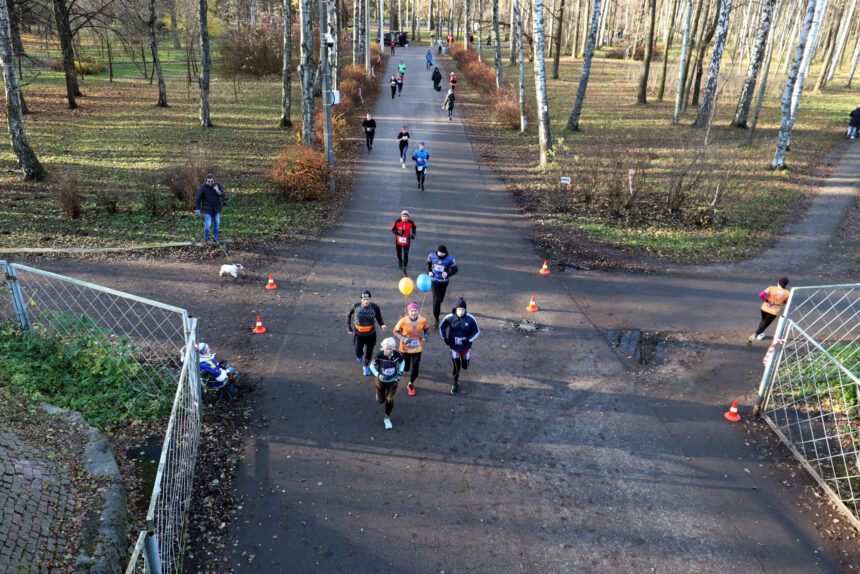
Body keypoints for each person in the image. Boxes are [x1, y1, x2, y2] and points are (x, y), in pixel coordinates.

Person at [439, 297, 480, 395]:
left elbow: (477, 331)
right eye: (459, 309)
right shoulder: (450, 317)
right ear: (456, 309)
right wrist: (445, 338)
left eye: (463, 309)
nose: (461, 312)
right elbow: (442, 327)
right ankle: (455, 383)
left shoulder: (470, 318)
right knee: (456, 367)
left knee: (465, 366)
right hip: (454, 347)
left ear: (465, 309)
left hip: (466, 347)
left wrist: (468, 339)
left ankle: (465, 362)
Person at [348, 290, 387, 375]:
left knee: (369, 353)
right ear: (361, 299)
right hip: (359, 335)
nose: (366, 301)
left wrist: (382, 325)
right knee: (358, 354)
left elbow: (379, 318)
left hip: (371, 335)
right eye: (364, 299)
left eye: (368, 299)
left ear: (370, 299)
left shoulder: (375, 307)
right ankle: (360, 354)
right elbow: (348, 315)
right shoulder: (356, 306)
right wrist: (350, 328)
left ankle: (366, 366)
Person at [394, 303, 429, 396]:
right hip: (405, 349)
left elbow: (426, 328)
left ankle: (410, 383)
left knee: (415, 368)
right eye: (412, 311)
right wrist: (404, 339)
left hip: (417, 348)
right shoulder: (403, 321)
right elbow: (396, 331)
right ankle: (405, 368)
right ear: (408, 311)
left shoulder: (422, 320)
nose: (413, 313)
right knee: (406, 368)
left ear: (418, 311)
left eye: (415, 311)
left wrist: (426, 336)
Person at [369, 337, 404, 429]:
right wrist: (378, 375)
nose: (388, 351)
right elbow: (372, 366)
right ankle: (379, 396)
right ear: (383, 348)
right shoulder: (379, 355)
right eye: (386, 349)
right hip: (380, 381)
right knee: (381, 401)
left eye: (390, 349)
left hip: (393, 380)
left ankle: (387, 418)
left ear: (393, 348)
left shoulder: (397, 355)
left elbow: (402, 362)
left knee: (389, 400)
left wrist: (400, 373)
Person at [748, 277, 790, 344]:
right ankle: (755, 336)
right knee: (765, 324)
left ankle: (760, 334)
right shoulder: (787, 293)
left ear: (778, 282)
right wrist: (780, 301)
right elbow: (787, 302)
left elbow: (761, 294)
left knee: (763, 320)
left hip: (764, 308)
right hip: (773, 311)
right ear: (786, 284)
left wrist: (766, 300)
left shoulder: (771, 288)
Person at [426, 245, 458, 326]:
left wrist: (448, 274)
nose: (440, 255)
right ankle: (436, 319)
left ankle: (436, 307)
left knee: (440, 299)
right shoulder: (432, 255)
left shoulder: (450, 259)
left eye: (443, 254)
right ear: (437, 251)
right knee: (437, 299)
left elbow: (455, 269)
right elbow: (428, 263)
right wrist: (429, 271)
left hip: (444, 282)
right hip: (434, 281)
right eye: (439, 253)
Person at [194, 173, 225, 245]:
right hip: (207, 209)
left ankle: (215, 238)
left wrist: (218, 191)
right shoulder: (202, 187)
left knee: (217, 224)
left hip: (216, 209)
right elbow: (198, 199)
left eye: (212, 181)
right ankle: (206, 238)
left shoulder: (217, 185)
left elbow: (223, 195)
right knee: (208, 225)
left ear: (214, 180)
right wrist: (198, 209)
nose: (210, 183)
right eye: (209, 181)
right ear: (206, 181)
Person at [391, 209, 416, 274]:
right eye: (403, 216)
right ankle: (400, 260)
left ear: (408, 217)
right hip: (398, 240)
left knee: (406, 254)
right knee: (399, 252)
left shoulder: (411, 222)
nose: (405, 218)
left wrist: (413, 234)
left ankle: (404, 267)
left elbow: (414, 229)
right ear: (401, 216)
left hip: (406, 241)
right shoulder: (397, 222)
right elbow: (392, 230)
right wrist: (398, 232)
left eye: (406, 216)